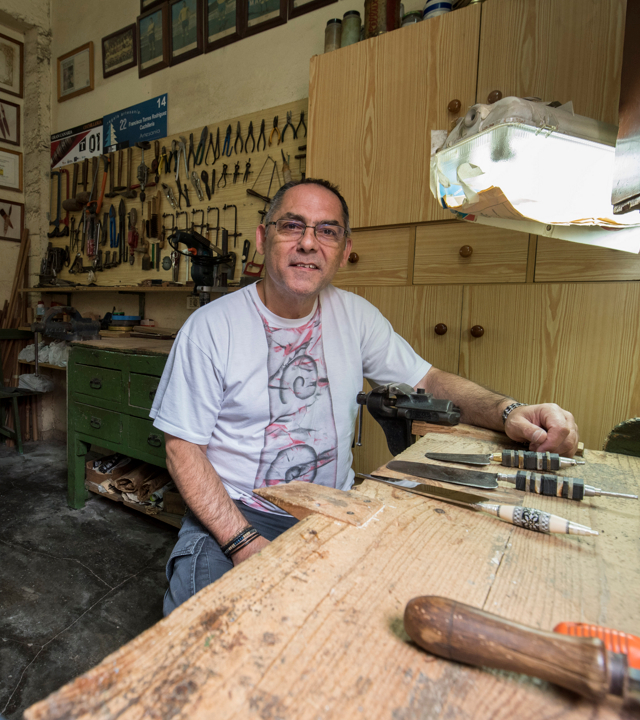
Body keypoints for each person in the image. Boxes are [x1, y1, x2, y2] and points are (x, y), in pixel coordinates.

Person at [150, 178, 579, 615]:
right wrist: (243, 542)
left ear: (343, 248)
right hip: (237, 513)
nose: (308, 243)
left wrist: (509, 411)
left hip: (333, 511)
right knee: (204, 629)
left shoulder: (355, 317)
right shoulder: (210, 328)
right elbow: (182, 447)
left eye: (327, 231)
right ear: (263, 238)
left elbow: (427, 380)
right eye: (292, 226)